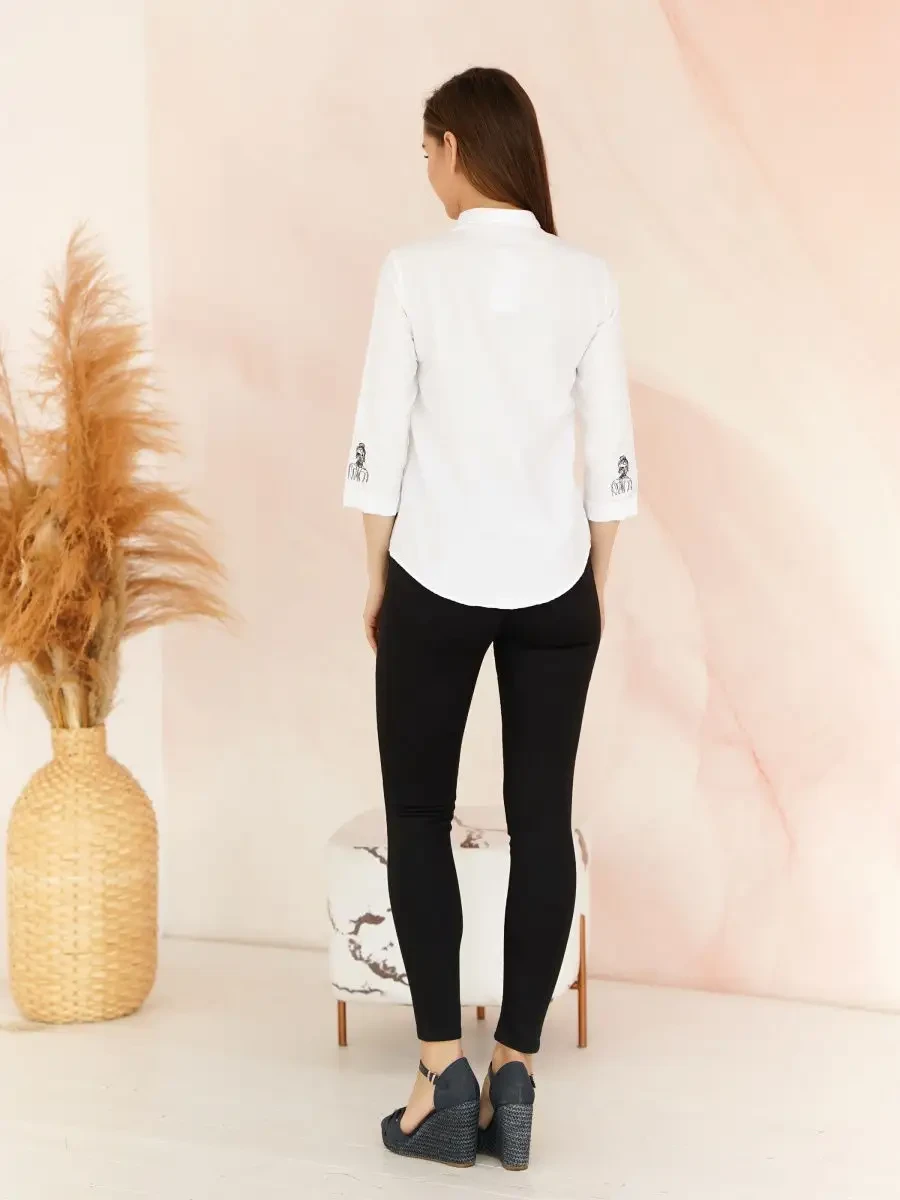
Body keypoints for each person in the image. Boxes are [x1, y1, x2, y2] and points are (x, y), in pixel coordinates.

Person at [343, 66, 638, 1171]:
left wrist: (377, 578)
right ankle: (515, 1068)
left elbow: (379, 441)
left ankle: (440, 1079)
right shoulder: (587, 278)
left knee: (418, 817)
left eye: (427, 150)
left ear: (457, 148)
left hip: (433, 576)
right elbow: (611, 460)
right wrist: (591, 587)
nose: (425, 169)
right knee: (542, 822)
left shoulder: (414, 271)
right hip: (557, 587)